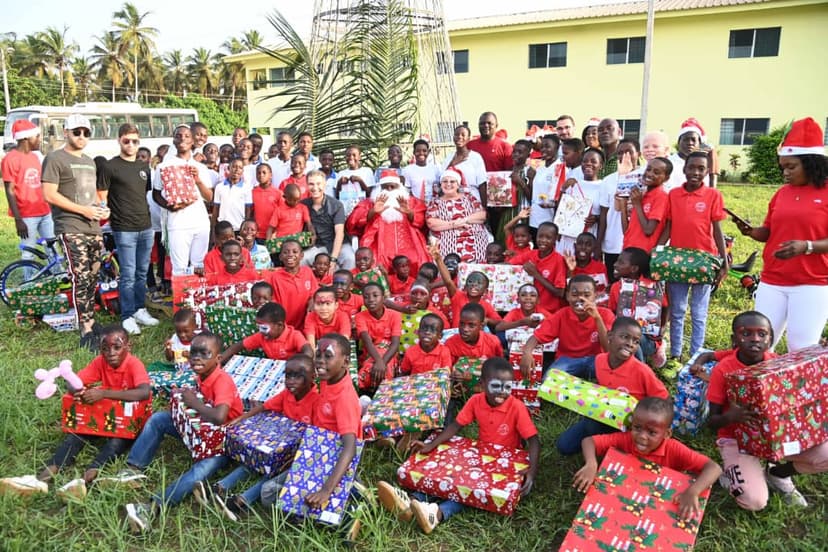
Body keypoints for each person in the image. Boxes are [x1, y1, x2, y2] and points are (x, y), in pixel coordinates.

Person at [377, 357, 539, 534]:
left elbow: (533, 440)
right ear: (482, 384)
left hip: (505, 465)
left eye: (507, 387)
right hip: (480, 456)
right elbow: (455, 426)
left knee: (468, 489)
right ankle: (410, 501)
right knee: (447, 475)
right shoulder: (476, 401)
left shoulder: (517, 407)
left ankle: (436, 514)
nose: (502, 392)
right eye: (496, 386)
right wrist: (431, 445)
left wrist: (531, 471)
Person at [0, 326, 150, 500]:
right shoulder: (100, 361)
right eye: (105, 348)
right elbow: (73, 382)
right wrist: (78, 391)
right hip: (105, 415)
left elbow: (144, 392)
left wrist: (103, 393)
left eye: (117, 347)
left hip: (129, 421)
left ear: (128, 347)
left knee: (115, 444)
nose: (111, 353)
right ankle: (42, 479)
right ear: (100, 348)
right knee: (76, 436)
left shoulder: (134, 364)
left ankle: (84, 481)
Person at [120, 332, 244, 533]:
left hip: (223, 442)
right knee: (159, 419)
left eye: (205, 353)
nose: (197, 358)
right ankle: (133, 469)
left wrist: (193, 403)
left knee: (199, 472)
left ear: (218, 359)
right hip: (198, 432)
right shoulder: (202, 374)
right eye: (194, 352)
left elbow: (220, 417)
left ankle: (154, 506)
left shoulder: (222, 381)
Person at [707, 311, 827, 509]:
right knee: (753, 500)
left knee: (825, 454)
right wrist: (731, 417)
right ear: (734, 339)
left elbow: (809, 375)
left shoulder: (777, 364)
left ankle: (778, 474)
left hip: (779, 437)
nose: (755, 339)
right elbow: (711, 422)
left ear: (770, 339)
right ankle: (731, 473)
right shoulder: (723, 370)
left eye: (762, 334)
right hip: (737, 440)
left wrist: (821, 353)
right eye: (746, 333)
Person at [734, 117, 828, 352]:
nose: (785, 172)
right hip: (772, 280)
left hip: (812, 283)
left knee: (801, 348)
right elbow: (769, 232)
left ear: (811, 163)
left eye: (791, 167)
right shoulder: (782, 193)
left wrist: (807, 246)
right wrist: (752, 232)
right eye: (782, 167)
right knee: (758, 348)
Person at [259, 334, 362, 524]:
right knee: (271, 492)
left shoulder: (344, 398)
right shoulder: (327, 379)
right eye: (318, 355)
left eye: (328, 356)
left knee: (268, 493)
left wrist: (325, 490)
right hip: (317, 449)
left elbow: (350, 447)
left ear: (346, 362)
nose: (320, 361)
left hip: (333, 456)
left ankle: (353, 504)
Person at [573, 397, 721, 521]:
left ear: (667, 434)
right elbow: (589, 441)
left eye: (652, 432)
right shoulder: (626, 439)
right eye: (637, 428)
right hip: (625, 497)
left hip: (658, 505)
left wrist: (693, 492)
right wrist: (591, 464)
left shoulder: (674, 449)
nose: (642, 436)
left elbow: (714, 468)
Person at [211, 354, 319, 519]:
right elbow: (264, 407)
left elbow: (316, 436)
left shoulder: (317, 401)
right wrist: (239, 420)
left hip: (298, 452)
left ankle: (242, 500)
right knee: (253, 460)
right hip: (278, 444)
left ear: (313, 377)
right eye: (288, 376)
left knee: (272, 472)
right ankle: (221, 487)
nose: (291, 381)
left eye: (298, 376)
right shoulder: (287, 394)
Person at [556, 317, 668, 455]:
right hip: (603, 415)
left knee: (594, 427)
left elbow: (664, 399)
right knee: (564, 446)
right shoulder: (599, 361)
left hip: (629, 425)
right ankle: (601, 443)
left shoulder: (642, 371)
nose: (630, 344)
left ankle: (609, 448)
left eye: (636, 341)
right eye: (625, 337)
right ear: (610, 336)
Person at [41, 114, 105, 351]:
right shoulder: (55, 158)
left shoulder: (89, 161)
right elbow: (49, 194)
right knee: (80, 277)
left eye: (86, 133)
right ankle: (85, 327)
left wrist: (100, 208)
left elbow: (92, 195)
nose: (81, 136)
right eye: (77, 132)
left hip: (93, 226)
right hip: (70, 226)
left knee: (94, 277)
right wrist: (83, 210)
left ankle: (91, 319)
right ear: (65, 132)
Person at [658, 152, 728, 360]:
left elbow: (717, 230)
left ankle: (696, 355)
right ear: (684, 169)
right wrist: (656, 251)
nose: (695, 172)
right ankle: (676, 355)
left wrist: (724, 260)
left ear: (707, 172)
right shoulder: (673, 195)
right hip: (677, 261)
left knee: (699, 312)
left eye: (701, 168)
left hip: (704, 261)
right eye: (692, 167)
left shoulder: (713, 195)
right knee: (677, 310)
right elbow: (669, 226)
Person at [98, 123, 159, 335]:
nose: (131, 145)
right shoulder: (110, 166)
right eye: (126, 141)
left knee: (142, 271)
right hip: (123, 228)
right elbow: (101, 195)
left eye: (135, 141)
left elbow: (143, 194)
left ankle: (140, 309)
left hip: (146, 226)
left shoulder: (143, 167)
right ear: (119, 141)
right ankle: (127, 315)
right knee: (128, 274)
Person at [520, 275, 615, 379]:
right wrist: (527, 353)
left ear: (595, 296)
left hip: (595, 359)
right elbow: (536, 337)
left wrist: (597, 318)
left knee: (611, 375)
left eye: (587, 295)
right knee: (548, 379)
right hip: (567, 360)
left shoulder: (606, 314)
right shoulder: (561, 315)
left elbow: (608, 349)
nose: (580, 299)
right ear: (567, 296)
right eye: (575, 295)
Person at [152, 125, 214, 275]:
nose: (182, 139)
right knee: (179, 268)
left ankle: (197, 291)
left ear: (192, 141)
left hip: (200, 223)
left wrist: (197, 180)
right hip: (177, 224)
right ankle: (181, 291)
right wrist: (169, 207)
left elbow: (209, 197)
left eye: (187, 136)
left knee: (199, 266)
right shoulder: (164, 166)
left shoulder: (200, 167)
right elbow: (156, 194)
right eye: (178, 136)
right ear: (173, 140)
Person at [346, 170, 431, 271]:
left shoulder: (412, 202)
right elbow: (351, 223)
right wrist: (372, 212)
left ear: (399, 187)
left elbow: (423, 223)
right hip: (377, 245)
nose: (389, 190)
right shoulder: (370, 203)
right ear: (380, 188)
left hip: (410, 244)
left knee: (417, 260)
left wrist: (410, 214)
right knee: (375, 262)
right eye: (385, 187)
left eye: (392, 186)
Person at [2, 119, 54, 267]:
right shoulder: (10, 159)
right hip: (26, 216)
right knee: (28, 253)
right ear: (25, 138)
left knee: (52, 249)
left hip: (45, 211)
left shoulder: (35, 156)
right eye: (36, 136)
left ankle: (58, 278)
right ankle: (29, 281)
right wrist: (18, 220)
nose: (39, 139)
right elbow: (9, 190)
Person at [608, 247, 668, 366]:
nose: (615, 264)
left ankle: (639, 370)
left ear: (634, 269)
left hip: (648, 340)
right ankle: (639, 368)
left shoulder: (651, 286)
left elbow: (665, 307)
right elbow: (612, 312)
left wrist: (663, 327)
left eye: (621, 262)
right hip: (624, 337)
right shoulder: (616, 287)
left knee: (634, 339)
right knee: (630, 339)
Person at [426, 168, 490, 263]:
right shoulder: (435, 202)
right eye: (445, 181)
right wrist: (454, 224)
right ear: (441, 184)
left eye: (452, 181)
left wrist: (463, 220)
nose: (448, 184)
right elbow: (431, 223)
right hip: (447, 241)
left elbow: (482, 215)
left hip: (475, 238)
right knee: (450, 264)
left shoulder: (469, 197)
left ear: (458, 184)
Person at [432, 244, 501, 329]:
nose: (474, 284)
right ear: (465, 287)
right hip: (456, 333)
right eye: (471, 282)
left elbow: (499, 322)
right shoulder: (458, 296)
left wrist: (487, 320)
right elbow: (448, 282)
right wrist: (438, 259)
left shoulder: (486, 305)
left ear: (485, 291)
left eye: (479, 283)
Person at [598, 141, 638, 279]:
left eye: (629, 152)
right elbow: (604, 213)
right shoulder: (608, 180)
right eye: (620, 153)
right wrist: (599, 243)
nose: (624, 156)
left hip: (636, 243)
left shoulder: (645, 177)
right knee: (614, 281)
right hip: (613, 241)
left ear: (638, 154)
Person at [220, 302, 312, 361]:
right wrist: (220, 360)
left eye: (264, 328)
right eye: (259, 327)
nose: (261, 331)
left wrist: (299, 365)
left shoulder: (294, 336)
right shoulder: (262, 336)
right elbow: (239, 345)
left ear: (279, 325)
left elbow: (308, 351)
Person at [508, 221, 567, 313]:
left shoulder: (559, 260)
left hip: (549, 310)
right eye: (540, 236)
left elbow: (560, 292)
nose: (543, 240)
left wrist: (536, 274)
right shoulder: (531, 254)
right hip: (528, 309)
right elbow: (509, 264)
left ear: (556, 238)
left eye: (548, 238)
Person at [301, 170, 355, 270]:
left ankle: (347, 280)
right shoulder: (303, 205)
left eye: (318, 184)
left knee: (350, 258)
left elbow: (339, 233)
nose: (315, 188)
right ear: (307, 185)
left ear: (325, 184)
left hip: (339, 244)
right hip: (317, 246)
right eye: (311, 184)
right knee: (301, 260)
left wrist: (333, 259)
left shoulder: (336, 205)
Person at [355, 282, 402, 392]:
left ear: (384, 298)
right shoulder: (360, 316)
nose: (371, 299)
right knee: (370, 367)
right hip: (370, 354)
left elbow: (395, 344)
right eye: (366, 297)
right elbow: (367, 342)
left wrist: (382, 362)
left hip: (390, 354)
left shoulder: (395, 315)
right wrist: (379, 361)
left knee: (384, 368)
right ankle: (370, 393)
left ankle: (378, 393)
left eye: (375, 295)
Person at [622, 156, 671, 253]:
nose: (649, 174)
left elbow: (648, 230)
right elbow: (627, 231)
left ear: (666, 178)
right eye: (648, 169)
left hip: (644, 252)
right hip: (628, 249)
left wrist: (637, 205)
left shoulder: (661, 197)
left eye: (656, 172)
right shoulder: (641, 195)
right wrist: (623, 204)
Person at [270, 240, 319, 329]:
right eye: (285, 252)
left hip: (306, 326)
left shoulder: (307, 271)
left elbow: (315, 293)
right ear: (280, 257)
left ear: (301, 255)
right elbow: (273, 304)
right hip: (284, 327)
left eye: (295, 252)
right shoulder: (275, 277)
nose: (290, 255)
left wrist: (312, 300)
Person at [441, 124, 488, 203]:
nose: (459, 137)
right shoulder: (449, 157)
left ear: (468, 139)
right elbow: (442, 179)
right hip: (452, 201)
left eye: (463, 135)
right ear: (453, 137)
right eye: (457, 135)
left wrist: (484, 206)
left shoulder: (475, 157)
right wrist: (452, 164)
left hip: (472, 199)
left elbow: (482, 183)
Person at [529, 134, 564, 231]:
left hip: (550, 222)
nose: (543, 150)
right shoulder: (540, 168)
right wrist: (531, 179)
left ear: (557, 148)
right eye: (542, 147)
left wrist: (553, 205)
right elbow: (534, 194)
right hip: (534, 220)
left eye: (547, 146)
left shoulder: (561, 168)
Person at [565, 232, 609, 306]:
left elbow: (602, 293)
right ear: (575, 246)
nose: (583, 247)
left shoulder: (600, 267)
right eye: (580, 244)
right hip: (573, 305)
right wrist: (571, 271)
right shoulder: (567, 263)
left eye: (588, 245)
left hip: (593, 305)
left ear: (594, 248)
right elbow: (568, 292)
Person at [304, 286, 351, 351]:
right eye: (318, 304)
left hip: (337, 347)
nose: (323, 308)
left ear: (336, 305)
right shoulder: (310, 317)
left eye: (328, 303)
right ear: (314, 304)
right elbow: (311, 343)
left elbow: (344, 341)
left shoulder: (342, 316)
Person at [211, 158, 252, 231]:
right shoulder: (220, 187)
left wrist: (245, 229)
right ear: (228, 168)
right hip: (222, 228)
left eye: (240, 168)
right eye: (234, 166)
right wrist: (213, 231)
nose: (237, 169)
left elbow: (248, 210)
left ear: (243, 171)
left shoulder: (246, 188)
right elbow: (216, 209)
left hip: (238, 227)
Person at [401, 139, 441, 203]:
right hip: (416, 206)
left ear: (428, 152)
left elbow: (440, 187)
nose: (421, 153)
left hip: (434, 205)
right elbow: (406, 191)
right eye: (418, 151)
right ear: (414, 152)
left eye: (424, 151)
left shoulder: (436, 169)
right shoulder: (407, 170)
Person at [250, 163, 282, 240]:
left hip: (272, 235)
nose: (261, 175)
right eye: (258, 173)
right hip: (256, 234)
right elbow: (250, 213)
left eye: (264, 172)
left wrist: (276, 231)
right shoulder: (252, 192)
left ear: (270, 175)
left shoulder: (278, 193)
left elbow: (282, 214)